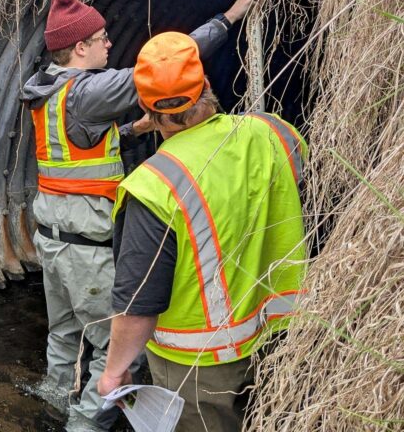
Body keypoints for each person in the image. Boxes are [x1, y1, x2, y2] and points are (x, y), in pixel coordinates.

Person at [21, 0, 261, 432]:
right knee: (106, 352)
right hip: (87, 250)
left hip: (52, 240)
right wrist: (228, 17)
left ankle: (51, 411)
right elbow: (166, 67)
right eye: (99, 38)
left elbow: (77, 143)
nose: (110, 43)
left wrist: (133, 130)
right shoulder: (90, 92)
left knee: (64, 337)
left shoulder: (47, 90)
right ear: (77, 49)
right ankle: (85, 427)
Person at [96, 31, 307, 431]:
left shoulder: (154, 185)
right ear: (206, 85)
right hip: (284, 336)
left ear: (144, 106)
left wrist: (114, 372)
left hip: (201, 370)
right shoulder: (273, 132)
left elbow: (138, 301)